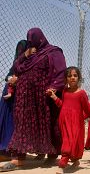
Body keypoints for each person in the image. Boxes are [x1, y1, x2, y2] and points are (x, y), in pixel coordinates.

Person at [1, 28, 66, 171]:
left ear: (40, 38)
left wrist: (54, 86)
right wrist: (25, 54)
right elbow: (16, 68)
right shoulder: (29, 54)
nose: (31, 43)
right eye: (29, 40)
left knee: (47, 125)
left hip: (42, 97)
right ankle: (17, 159)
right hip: (24, 98)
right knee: (21, 126)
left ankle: (52, 155)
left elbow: (61, 71)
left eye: (33, 39)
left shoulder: (53, 52)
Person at [47, 66, 90, 169]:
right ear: (66, 78)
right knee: (67, 139)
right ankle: (67, 158)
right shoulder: (65, 91)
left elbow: (88, 110)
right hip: (64, 121)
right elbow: (62, 105)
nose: (72, 78)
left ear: (79, 78)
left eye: (75, 75)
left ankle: (70, 159)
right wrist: (54, 97)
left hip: (76, 122)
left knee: (74, 140)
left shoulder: (82, 94)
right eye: (69, 76)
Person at [0, 40, 27, 162]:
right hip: (9, 96)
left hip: (21, 97)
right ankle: (4, 150)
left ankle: (15, 152)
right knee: (6, 121)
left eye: (23, 50)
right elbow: (8, 76)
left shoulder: (32, 64)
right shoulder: (16, 63)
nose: (20, 52)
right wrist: (12, 79)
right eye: (19, 50)